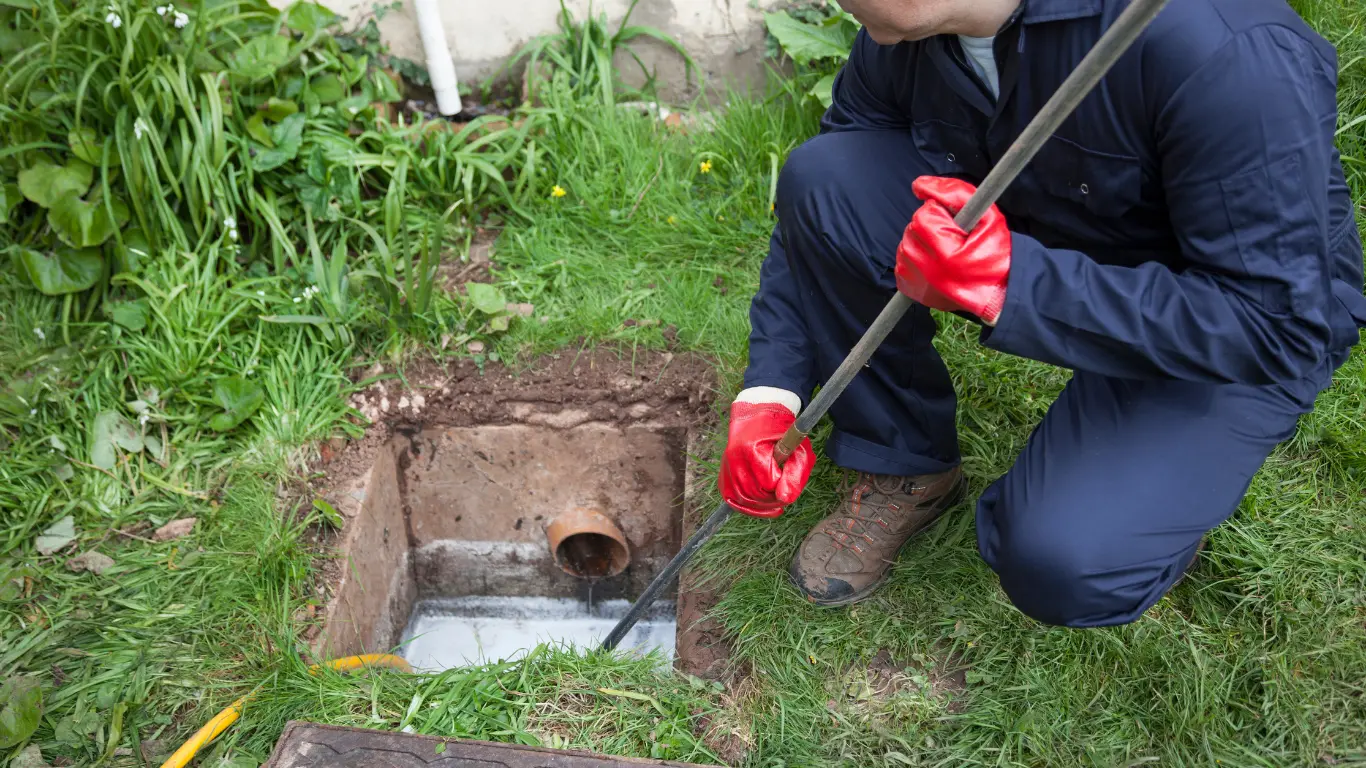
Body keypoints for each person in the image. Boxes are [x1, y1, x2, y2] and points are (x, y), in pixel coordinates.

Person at [717, 0, 1366, 627]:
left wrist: (1013, 283)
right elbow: (823, 204)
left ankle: (1151, 504)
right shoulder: (911, 35)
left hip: (1228, 319)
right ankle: (905, 465)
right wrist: (772, 391)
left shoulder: (1222, 46)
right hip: (1062, 230)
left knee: (1064, 559)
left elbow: (1278, 325)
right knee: (826, 177)